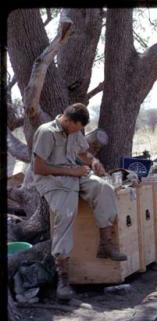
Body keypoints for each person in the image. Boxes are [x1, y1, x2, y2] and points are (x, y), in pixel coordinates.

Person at [32, 103, 127, 300]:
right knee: (66, 213)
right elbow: (39, 168)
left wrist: (93, 162)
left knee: (104, 188)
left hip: (74, 175)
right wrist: (72, 171)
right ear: (67, 120)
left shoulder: (75, 130)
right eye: (76, 128)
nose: (78, 132)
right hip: (53, 181)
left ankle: (105, 244)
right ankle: (63, 279)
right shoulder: (46, 132)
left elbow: (83, 153)